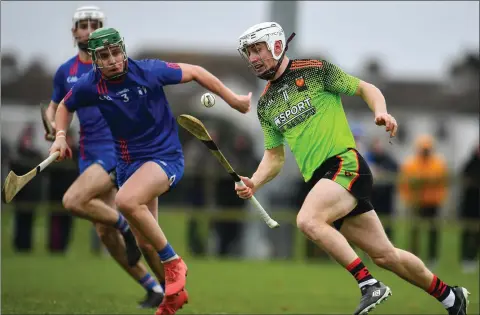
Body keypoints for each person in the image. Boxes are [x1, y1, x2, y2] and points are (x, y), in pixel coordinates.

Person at [234, 22, 470, 315]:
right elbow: (274, 157)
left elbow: (365, 88)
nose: (253, 58)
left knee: (308, 220)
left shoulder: (314, 69)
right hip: (323, 181)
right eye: (249, 53)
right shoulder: (266, 103)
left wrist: (380, 111)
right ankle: (451, 297)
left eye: (258, 49)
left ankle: (368, 284)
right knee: (386, 255)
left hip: (345, 164)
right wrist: (254, 182)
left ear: (277, 45)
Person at [49, 27, 251, 315]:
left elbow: (195, 71)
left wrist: (232, 100)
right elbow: (64, 107)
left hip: (163, 157)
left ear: (123, 50)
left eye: (116, 52)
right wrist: (59, 136)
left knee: (125, 201)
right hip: (127, 164)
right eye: (104, 56)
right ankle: (172, 297)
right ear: (95, 59)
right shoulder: (89, 85)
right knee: (144, 242)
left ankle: (174, 262)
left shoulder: (149, 71)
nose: (113, 60)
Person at [44, 6, 164, 308]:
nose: (88, 29)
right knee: (104, 232)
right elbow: (55, 107)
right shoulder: (65, 72)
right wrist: (55, 132)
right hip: (87, 153)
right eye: (82, 25)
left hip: (115, 150)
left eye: (94, 24)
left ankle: (131, 231)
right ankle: (154, 287)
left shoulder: (115, 67)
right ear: (74, 32)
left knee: (74, 201)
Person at [399, 135, 449, 268]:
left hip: (433, 203)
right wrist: (407, 198)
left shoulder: (439, 163)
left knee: (433, 230)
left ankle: (432, 257)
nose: (425, 152)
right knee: (415, 230)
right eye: (423, 149)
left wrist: (440, 198)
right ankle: (413, 256)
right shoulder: (410, 163)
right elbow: (404, 183)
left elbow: (444, 183)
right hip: (415, 203)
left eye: (427, 149)